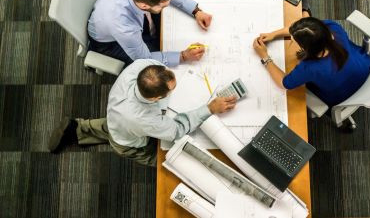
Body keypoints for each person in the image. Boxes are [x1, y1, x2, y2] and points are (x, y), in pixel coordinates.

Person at [48, 59, 237, 166]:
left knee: (112, 126)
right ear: (155, 99)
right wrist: (209, 108)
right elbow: (177, 130)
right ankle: (80, 131)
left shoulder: (141, 67)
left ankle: (78, 128)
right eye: (171, 90)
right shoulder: (145, 119)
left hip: (117, 116)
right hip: (129, 141)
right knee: (165, 159)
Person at [252, 0, 370, 108]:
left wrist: (265, 56)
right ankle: (305, 9)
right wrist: (273, 34)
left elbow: (283, 83)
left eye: (294, 40)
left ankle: (305, 9)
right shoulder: (333, 28)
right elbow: (309, 28)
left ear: (306, 49)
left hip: (342, 97)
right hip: (366, 70)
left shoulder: (310, 68)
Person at [88, 0, 213, 66]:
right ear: (144, 6)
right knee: (154, 59)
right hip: (109, 43)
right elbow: (144, 58)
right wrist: (183, 56)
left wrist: (195, 11)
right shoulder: (124, 27)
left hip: (111, 13)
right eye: (163, 6)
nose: (166, 7)